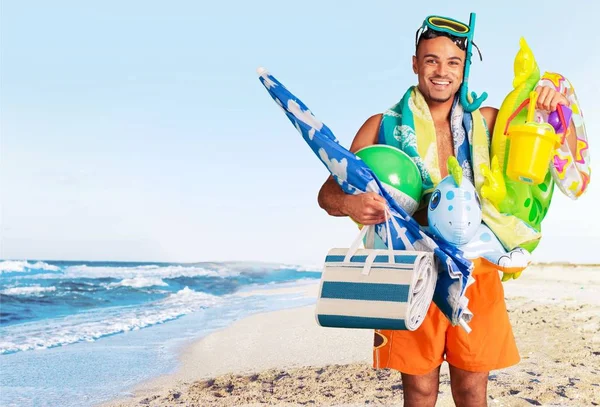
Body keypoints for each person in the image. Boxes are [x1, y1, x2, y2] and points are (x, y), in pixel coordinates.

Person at [316, 14, 573, 407]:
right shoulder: (382, 126)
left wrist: (550, 101)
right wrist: (353, 203)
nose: (441, 71)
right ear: (415, 63)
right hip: (409, 271)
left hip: (476, 270)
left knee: (472, 389)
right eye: (431, 60)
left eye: (453, 62)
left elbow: (546, 142)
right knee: (419, 391)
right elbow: (328, 193)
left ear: (464, 68)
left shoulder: (488, 122)